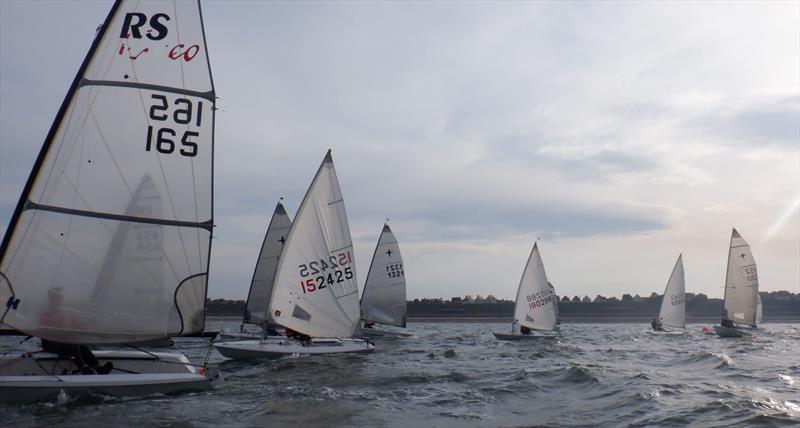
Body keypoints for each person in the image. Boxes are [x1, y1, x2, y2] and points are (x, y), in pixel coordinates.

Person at [41, 340, 113, 375]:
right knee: (73, 345)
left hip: (62, 342)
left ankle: (98, 368)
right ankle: (83, 368)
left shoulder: (64, 316)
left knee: (82, 346)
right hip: (50, 344)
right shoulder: (48, 315)